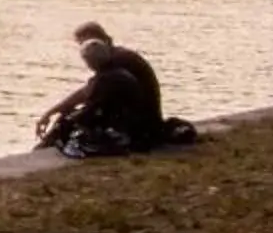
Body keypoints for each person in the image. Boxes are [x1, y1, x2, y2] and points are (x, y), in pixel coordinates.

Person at [37, 21, 174, 152]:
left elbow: (89, 95)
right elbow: (87, 92)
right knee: (71, 115)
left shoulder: (117, 64)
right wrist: (53, 111)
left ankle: (42, 150)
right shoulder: (114, 60)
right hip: (137, 119)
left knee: (70, 121)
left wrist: (62, 116)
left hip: (140, 126)